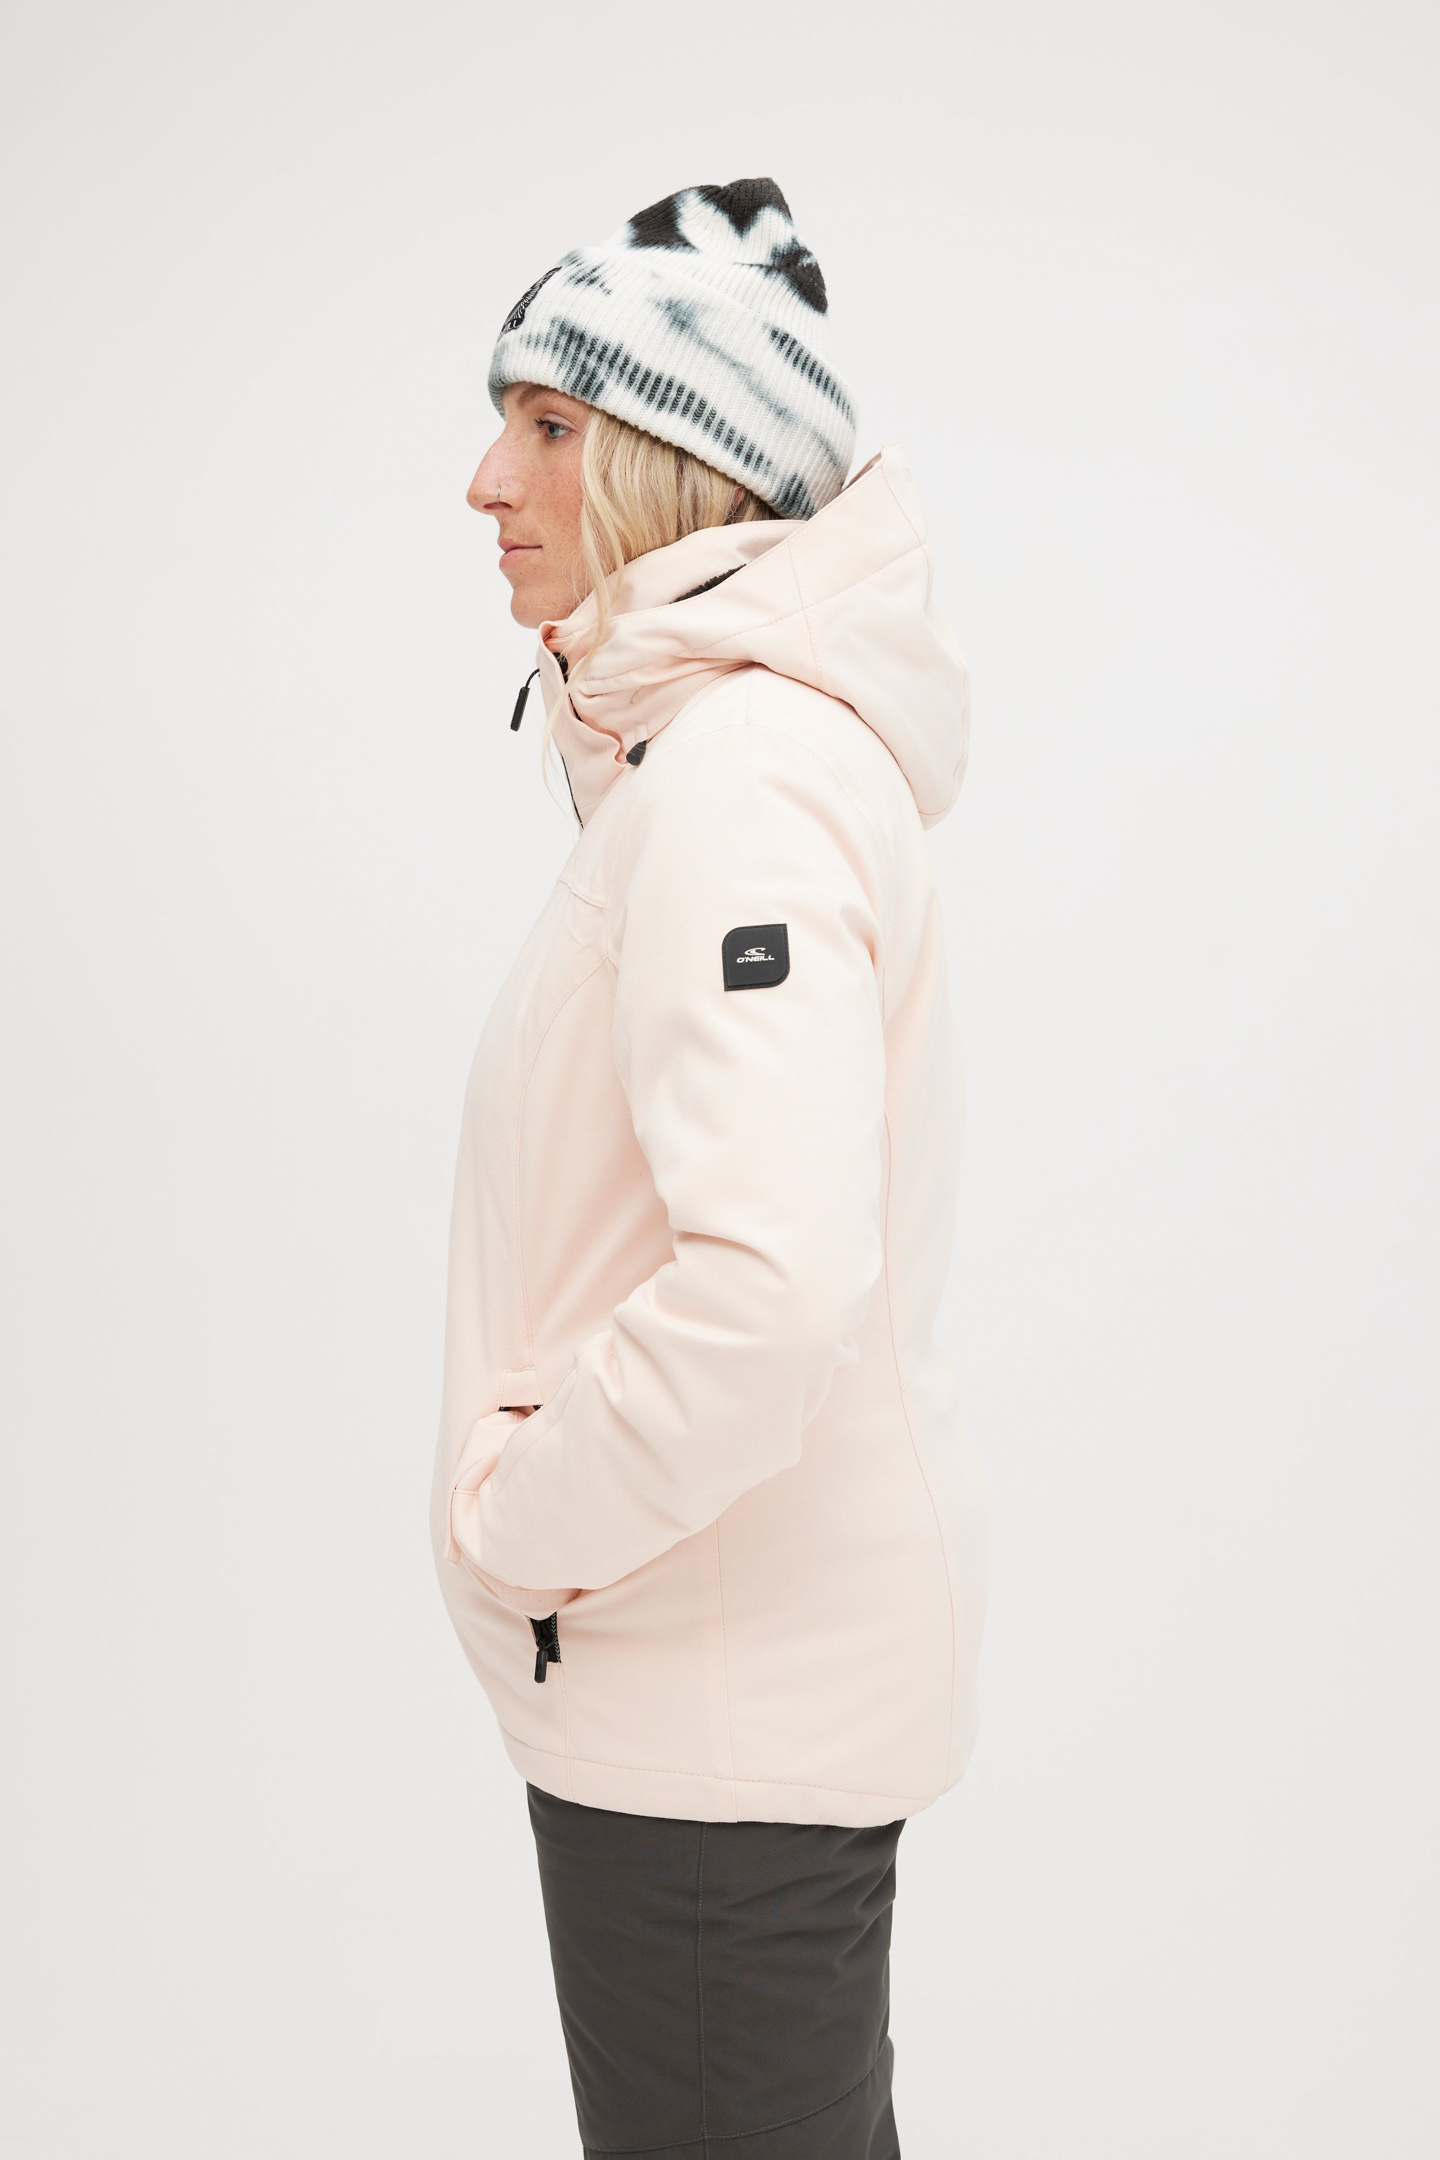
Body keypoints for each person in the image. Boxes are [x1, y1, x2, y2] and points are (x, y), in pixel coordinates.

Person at [432, 177, 988, 2160]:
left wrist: (523, 1525)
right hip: (720, 1698)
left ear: (681, 461)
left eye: (549, 424)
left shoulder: (743, 785)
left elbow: (773, 1282)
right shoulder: (719, 769)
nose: (487, 483)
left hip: (710, 1717)